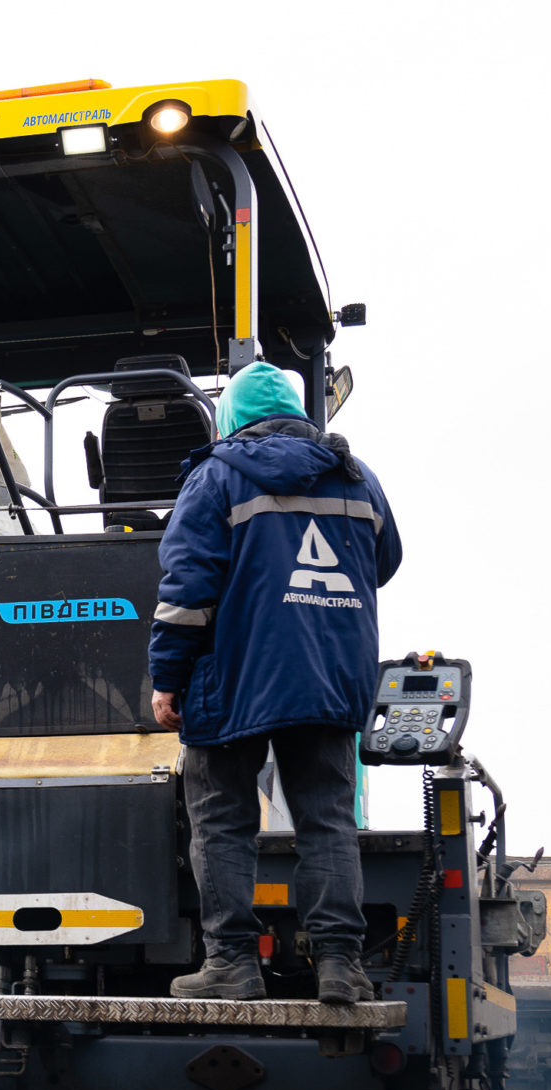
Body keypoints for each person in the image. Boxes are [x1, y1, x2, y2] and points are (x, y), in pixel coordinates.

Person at [149, 362, 402, 1005]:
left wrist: (167, 677)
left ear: (230, 419)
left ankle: (233, 964)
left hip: (237, 677)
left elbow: (186, 594)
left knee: (222, 820)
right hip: (328, 676)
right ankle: (342, 966)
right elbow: (386, 560)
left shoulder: (215, 478)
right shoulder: (356, 475)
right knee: (327, 821)